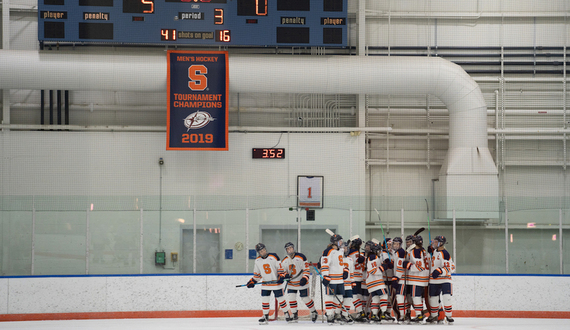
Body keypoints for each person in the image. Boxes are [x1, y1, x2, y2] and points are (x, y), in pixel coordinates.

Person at [246, 243, 292, 324]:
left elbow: (280, 268)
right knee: (265, 300)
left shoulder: (274, 256)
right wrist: (252, 281)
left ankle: (286, 313)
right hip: (265, 284)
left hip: (276, 284)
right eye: (261, 251)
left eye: (264, 250)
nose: (263, 252)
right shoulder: (257, 261)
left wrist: (281, 276)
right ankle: (265, 315)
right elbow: (257, 274)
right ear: (259, 252)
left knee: (281, 300)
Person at [280, 242, 318, 322]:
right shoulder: (284, 260)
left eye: (290, 248)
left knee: (305, 298)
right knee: (291, 298)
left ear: (293, 248)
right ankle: (294, 314)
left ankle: (314, 311)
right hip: (291, 283)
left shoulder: (301, 257)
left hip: (301, 283)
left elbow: (306, 270)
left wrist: (304, 278)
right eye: (288, 249)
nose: (289, 250)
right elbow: (282, 271)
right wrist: (286, 275)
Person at [426, 235, 455, 324]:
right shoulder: (435, 251)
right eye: (433, 242)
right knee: (433, 298)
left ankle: (449, 316)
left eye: (435, 242)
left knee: (446, 297)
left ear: (441, 243)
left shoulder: (445, 253)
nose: (434, 243)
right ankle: (434, 316)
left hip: (445, 279)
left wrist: (439, 271)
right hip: (434, 280)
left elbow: (449, 267)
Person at [401, 235, 430, 323]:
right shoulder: (423, 250)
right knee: (418, 297)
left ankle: (419, 315)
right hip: (423, 279)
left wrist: (408, 265)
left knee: (415, 297)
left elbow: (420, 267)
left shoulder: (416, 251)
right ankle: (420, 314)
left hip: (417, 279)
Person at [320, 233, 345, 324]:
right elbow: (325, 264)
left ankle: (330, 312)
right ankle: (330, 314)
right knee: (330, 296)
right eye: (340, 241)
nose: (342, 242)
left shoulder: (341, 250)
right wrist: (325, 276)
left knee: (340, 297)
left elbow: (342, 263)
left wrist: (345, 270)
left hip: (340, 279)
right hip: (332, 279)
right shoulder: (328, 251)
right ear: (335, 242)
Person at [365, 241, 393, 323]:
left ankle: (374, 315)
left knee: (376, 298)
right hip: (376, 281)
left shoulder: (372, 256)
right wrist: (382, 267)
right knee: (384, 295)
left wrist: (386, 264)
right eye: (378, 250)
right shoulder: (373, 257)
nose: (379, 252)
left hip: (371, 282)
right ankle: (383, 314)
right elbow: (373, 270)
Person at [346, 235, 367, 321]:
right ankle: (363, 312)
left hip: (353, 278)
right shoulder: (360, 254)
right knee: (359, 296)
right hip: (360, 278)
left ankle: (360, 312)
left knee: (353, 297)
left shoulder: (351, 253)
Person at [390, 236, 407, 323]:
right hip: (400, 278)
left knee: (400, 297)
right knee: (400, 297)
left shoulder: (401, 252)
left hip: (402, 279)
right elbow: (397, 264)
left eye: (398, 244)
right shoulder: (396, 252)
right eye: (395, 244)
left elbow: (400, 267)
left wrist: (396, 278)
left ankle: (403, 316)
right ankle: (404, 315)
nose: (396, 245)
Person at [340, 242, 355, 324]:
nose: (344, 249)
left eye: (346, 248)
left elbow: (351, 271)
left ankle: (345, 315)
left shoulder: (350, 259)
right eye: (343, 248)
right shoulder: (337, 258)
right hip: (339, 282)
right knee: (338, 300)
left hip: (348, 283)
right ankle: (337, 315)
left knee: (349, 298)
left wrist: (352, 281)